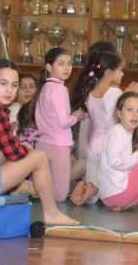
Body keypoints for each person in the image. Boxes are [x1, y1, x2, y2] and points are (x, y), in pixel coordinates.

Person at [0, 59, 79, 226]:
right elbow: (14, 153)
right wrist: (26, 150)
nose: (9, 90)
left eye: (14, 85)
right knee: (39, 156)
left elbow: (4, 150)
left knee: (14, 150)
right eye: (3, 83)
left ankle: (29, 190)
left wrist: (20, 148)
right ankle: (51, 212)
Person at [68, 51, 123, 206]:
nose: (122, 74)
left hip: (94, 142)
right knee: (109, 188)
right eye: (120, 70)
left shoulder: (89, 93)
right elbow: (121, 118)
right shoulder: (115, 92)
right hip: (110, 142)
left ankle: (83, 189)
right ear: (109, 72)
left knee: (92, 192)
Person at [34, 47, 86, 202]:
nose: (67, 67)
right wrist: (76, 117)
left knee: (47, 190)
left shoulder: (45, 87)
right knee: (59, 195)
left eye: (69, 63)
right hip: (58, 145)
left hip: (43, 143)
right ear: (49, 67)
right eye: (61, 63)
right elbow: (63, 121)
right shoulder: (59, 89)